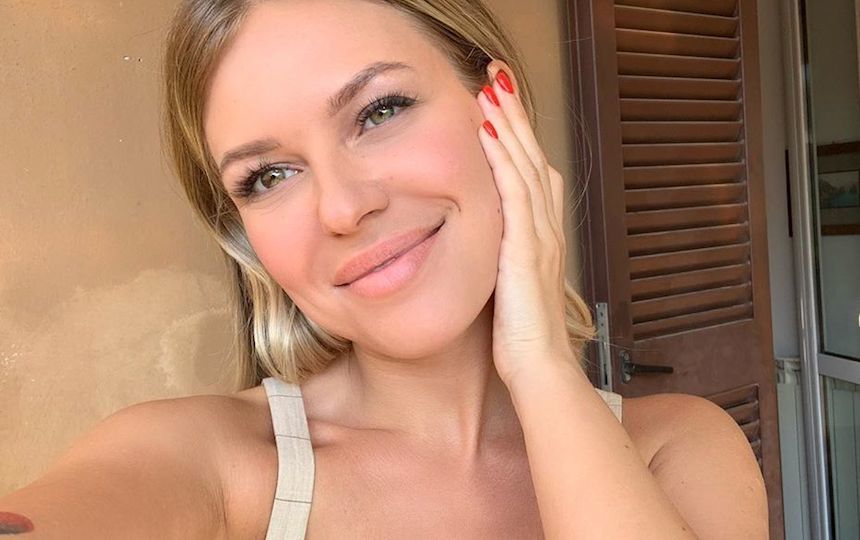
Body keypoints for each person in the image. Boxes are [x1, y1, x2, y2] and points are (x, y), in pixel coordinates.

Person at [0, 0, 768, 537]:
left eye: (379, 111)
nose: (342, 208)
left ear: (498, 110)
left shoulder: (679, 450)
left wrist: (540, 365)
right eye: (269, 176)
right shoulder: (209, 464)